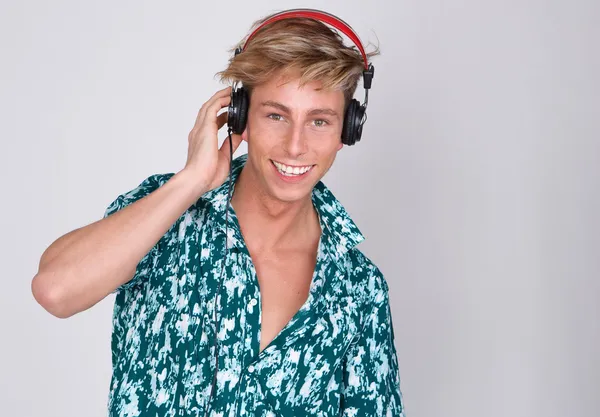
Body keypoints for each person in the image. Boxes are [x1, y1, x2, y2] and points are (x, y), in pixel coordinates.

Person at [31, 8, 406, 416]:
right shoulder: (165, 214)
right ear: (240, 116)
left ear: (346, 132)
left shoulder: (358, 289)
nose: (295, 145)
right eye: (276, 115)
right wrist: (191, 181)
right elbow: (55, 290)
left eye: (319, 121)